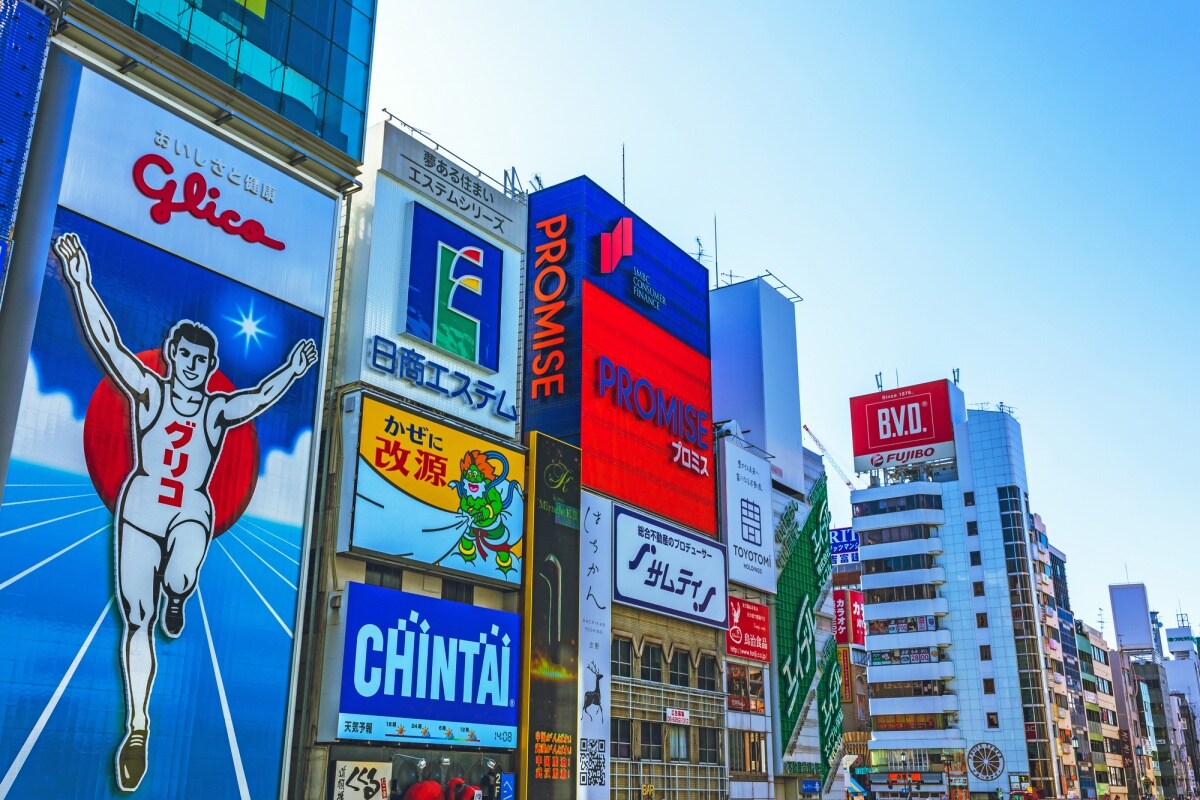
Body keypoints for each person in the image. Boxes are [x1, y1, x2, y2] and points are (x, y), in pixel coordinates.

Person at [53, 232, 317, 792]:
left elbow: (258, 399)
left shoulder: (217, 410)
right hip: (142, 507)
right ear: (173, 356)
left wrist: (293, 373)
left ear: (210, 363)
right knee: (136, 620)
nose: (193, 365)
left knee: (182, 568)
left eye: (203, 359)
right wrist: (80, 283)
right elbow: (110, 345)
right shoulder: (148, 392)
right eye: (186, 356)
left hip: (190, 509)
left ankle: (180, 591)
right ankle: (139, 727)